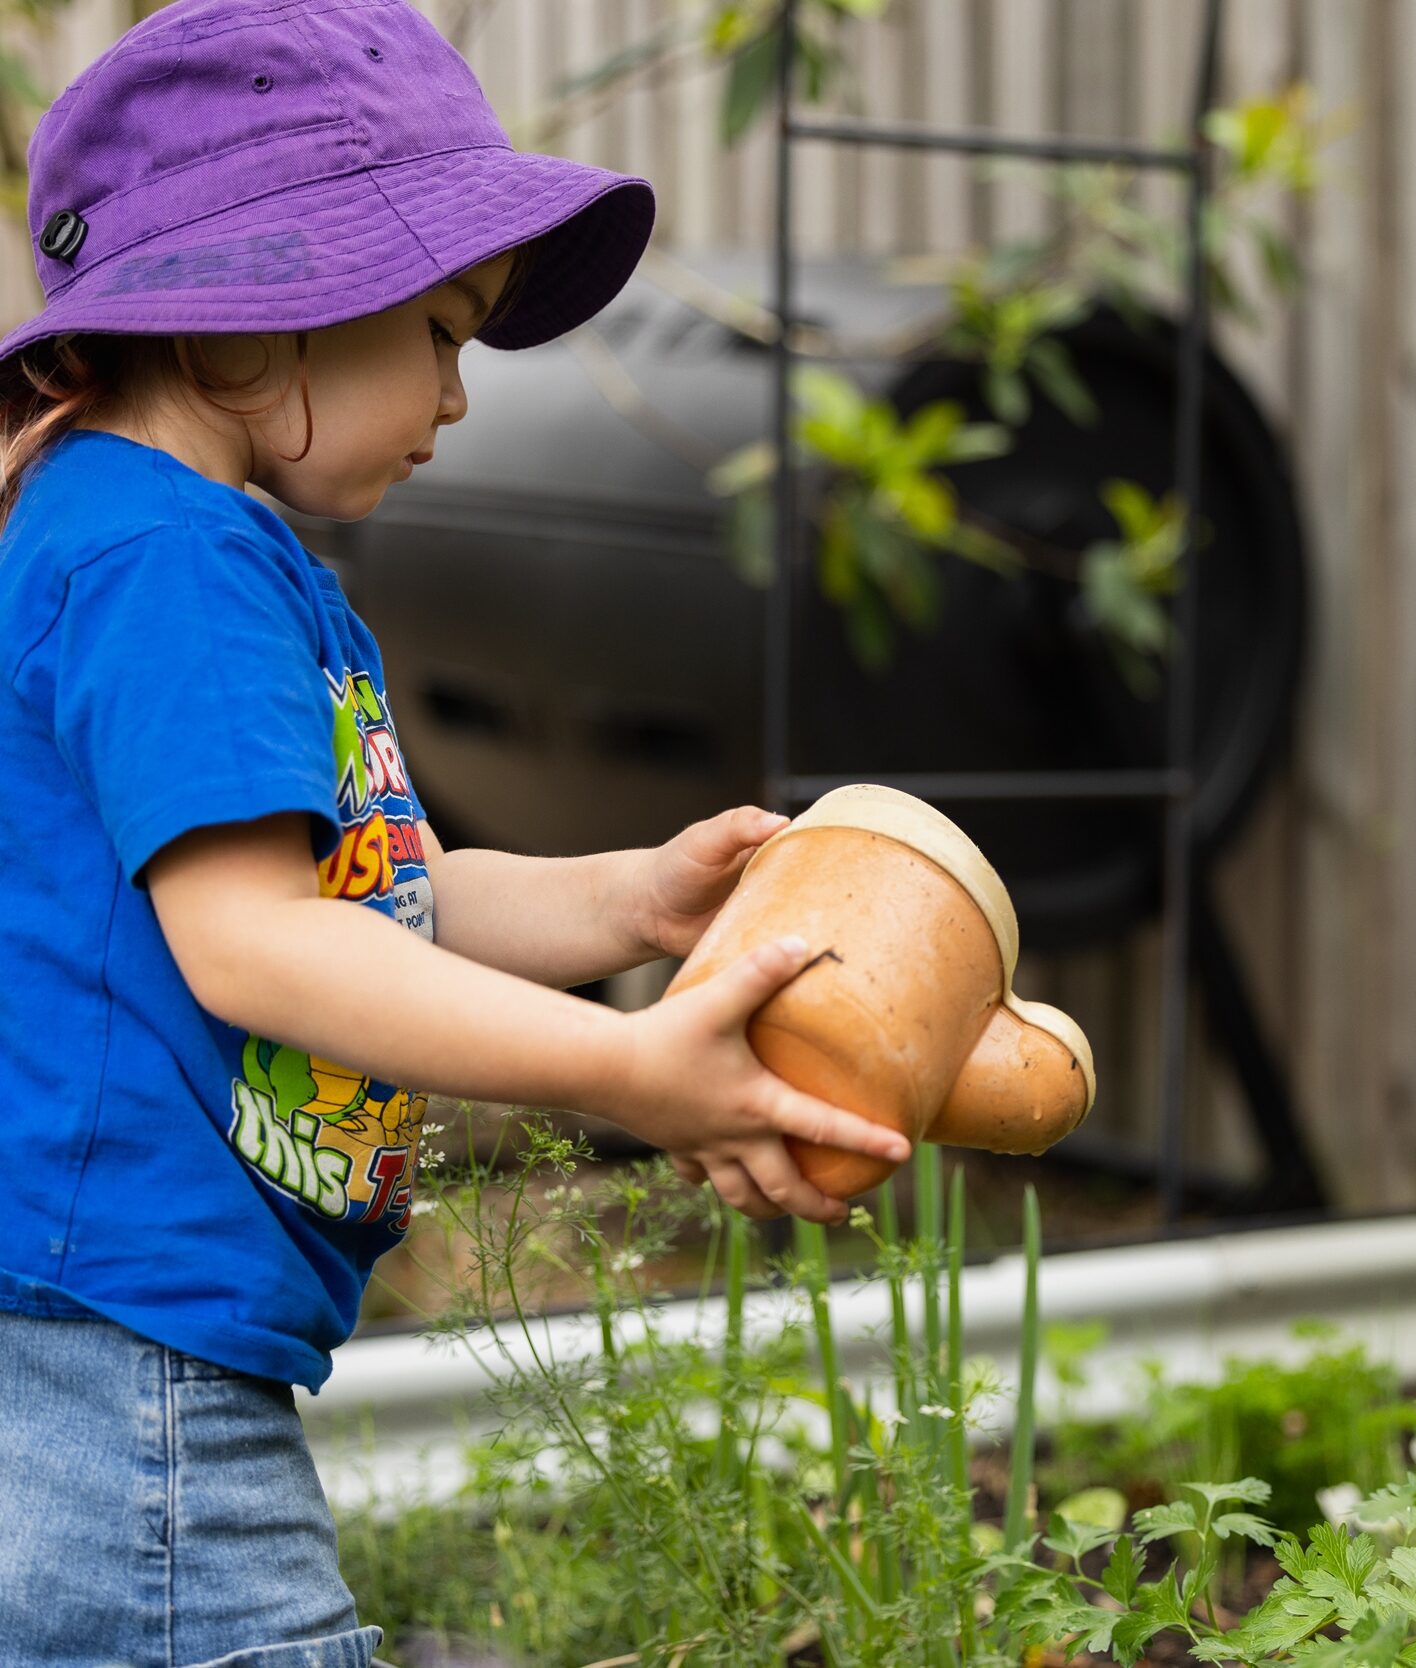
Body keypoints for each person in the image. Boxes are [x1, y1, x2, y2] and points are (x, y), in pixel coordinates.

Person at [0, 3, 912, 1664]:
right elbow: (260, 945)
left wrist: (633, 901)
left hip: (114, 1330)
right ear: (251, 319)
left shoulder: (177, 546)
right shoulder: (168, 568)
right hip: (118, 1343)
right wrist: (625, 1070)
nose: (459, 396)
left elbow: (370, 899)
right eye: (437, 331)